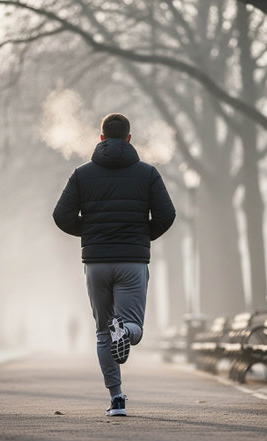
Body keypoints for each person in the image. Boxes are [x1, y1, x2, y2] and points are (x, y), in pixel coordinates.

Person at [53, 113, 175, 416]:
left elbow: (61, 215)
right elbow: (167, 215)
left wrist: (92, 232)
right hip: (132, 261)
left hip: (96, 263)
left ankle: (117, 398)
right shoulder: (148, 174)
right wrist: (141, 235)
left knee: (102, 333)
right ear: (130, 139)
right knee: (133, 326)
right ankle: (127, 331)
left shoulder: (81, 174)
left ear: (102, 138)